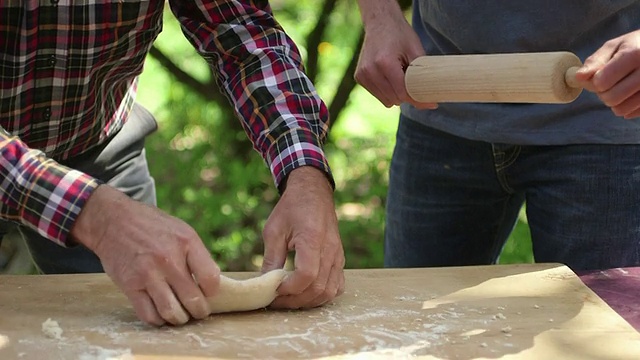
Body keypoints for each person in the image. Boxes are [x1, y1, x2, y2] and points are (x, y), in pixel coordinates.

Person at [0, 0, 345, 326]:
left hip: (96, 145)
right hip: (67, 186)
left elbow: (240, 30)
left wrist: (304, 172)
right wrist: (96, 216)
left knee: (134, 334)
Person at [354, 1, 640, 271]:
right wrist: (380, 18)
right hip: (441, 94)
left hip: (607, 113)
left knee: (601, 319)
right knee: (415, 314)